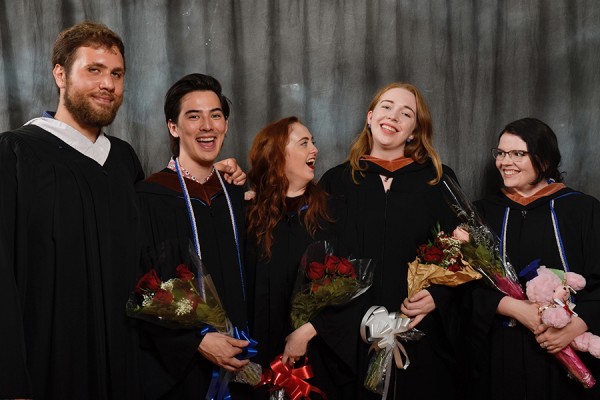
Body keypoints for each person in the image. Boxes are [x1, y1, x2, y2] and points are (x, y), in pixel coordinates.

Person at [0, 21, 144, 400]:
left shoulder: (124, 161)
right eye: (93, 70)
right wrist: (11, 381)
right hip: (47, 366)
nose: (108, 85)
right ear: (60, 75)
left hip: (125, 363)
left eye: (116, 74)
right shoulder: (16, 154)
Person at [319, 82, 462, 399]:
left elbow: (463, 256)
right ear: (370, 117)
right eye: (386, 107)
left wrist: (439, 294)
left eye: (406, 113)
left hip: (417, 331)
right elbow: (316, 260)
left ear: (414, 131)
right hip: (349, 335)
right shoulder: (337, 181)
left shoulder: (437, 180)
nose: (394, 116)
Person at [135, 73, 252, 399]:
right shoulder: (149, 197)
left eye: (215, 115)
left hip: (245, 357)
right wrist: (195, 340)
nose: (207, 126)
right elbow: (143, 286)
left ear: (226, 124)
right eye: (193, 116)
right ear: (173, 127)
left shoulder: (235, 193)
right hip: (183, 374)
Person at [467, 117, 600, 400]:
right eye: (501, 153)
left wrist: (577, 325)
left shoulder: (582, 210)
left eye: (518, 153)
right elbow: (464, 288)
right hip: (502, 354)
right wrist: (514, 309)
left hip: (566, 351)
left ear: (544, 160)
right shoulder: (482, 214)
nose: (505, 161)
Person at [246, 116, 356, 398]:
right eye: (304, 143)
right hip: (258, 365)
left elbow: (352, 291)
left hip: (318, 362)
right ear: (277, 154)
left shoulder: (334, 213)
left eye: (313, 142)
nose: (315, 150)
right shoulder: (249, 216)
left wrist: (309, 331)